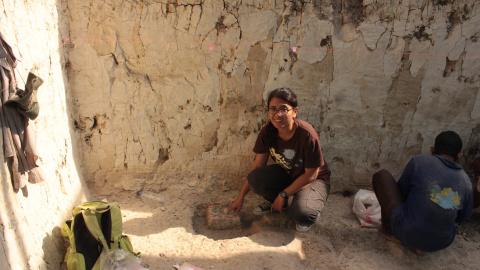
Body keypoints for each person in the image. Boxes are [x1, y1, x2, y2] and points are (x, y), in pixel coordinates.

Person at [227, 88, 331, 232]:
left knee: (302, 214)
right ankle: (281, 204)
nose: (278, 114)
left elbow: (311, 175)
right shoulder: (268, 132)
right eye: (273, 109)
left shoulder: (307, 135)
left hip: (313, 180)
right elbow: (257, 165)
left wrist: (283, 194)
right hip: (289, 175)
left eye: (283, 109)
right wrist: (241, 197)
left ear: (295, 111)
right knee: (255, 178)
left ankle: (307, 207)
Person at [372, 131, 474, 253]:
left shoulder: (419, 162)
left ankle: (390, 232)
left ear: (432, 150)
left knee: (382, 175)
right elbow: (463, 217)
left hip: (407, 232)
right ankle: (422, 245)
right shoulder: (466, 181)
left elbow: (402, 193)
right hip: (442, 241)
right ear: (459, 155)